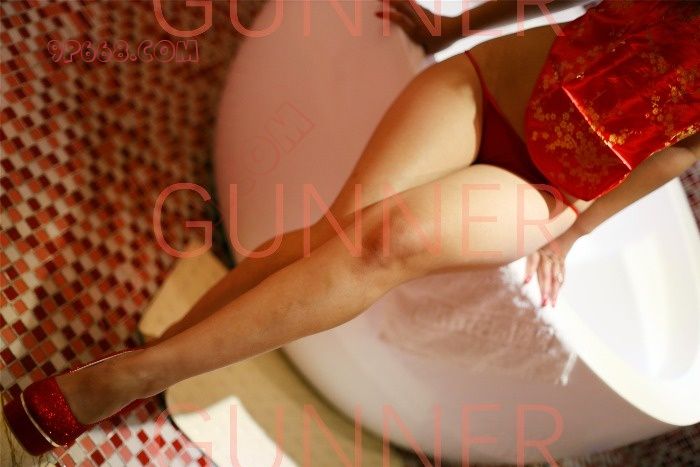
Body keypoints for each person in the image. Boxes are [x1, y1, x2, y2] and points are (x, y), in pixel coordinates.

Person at [4, 0, 699, 455]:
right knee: (333, 230)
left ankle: (129, 374)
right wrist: (452, 28)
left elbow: (677, 152)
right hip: (490, 85)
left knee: (384, 242)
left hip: (550, 187)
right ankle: (139, 370)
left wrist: (574, 232)